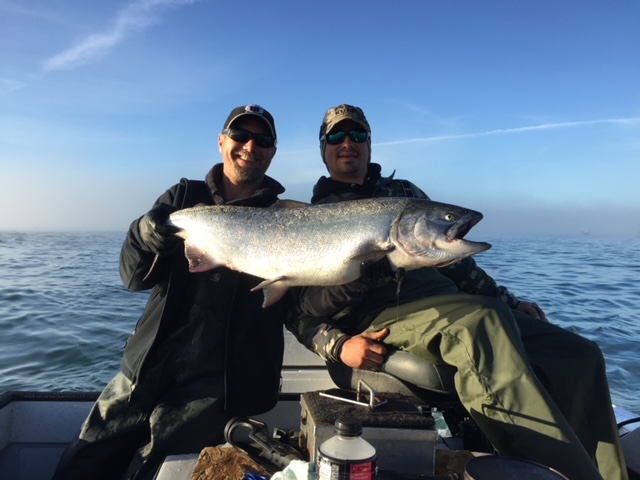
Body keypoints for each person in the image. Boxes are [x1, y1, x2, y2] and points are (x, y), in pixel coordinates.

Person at [286, 104, 628, 480]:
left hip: (452, 300)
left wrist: (509, 300)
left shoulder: (405, 194)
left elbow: (458, 264)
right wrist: (337, 345)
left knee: (579, 355)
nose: (347, 142)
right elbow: (299, 310)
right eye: (336, 136)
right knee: (484, 322)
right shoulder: (309, 220)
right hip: (387, 314)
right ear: (323, 149)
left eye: (357, 135)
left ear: (370, 144)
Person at [53, 104, 288, 480]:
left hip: (218, 386)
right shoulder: (183, 197)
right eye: (240, 135)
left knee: (157, 470)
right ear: (221, 141)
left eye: (262, 140)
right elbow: (133, 278)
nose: (250, 146)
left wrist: (336, 340)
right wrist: (142, 235)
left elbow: (305, 303)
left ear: (273, 152)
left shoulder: (285, 217)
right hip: (145, 369)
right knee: (82, 463)